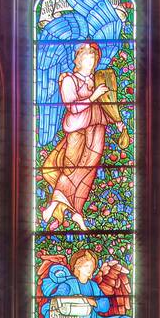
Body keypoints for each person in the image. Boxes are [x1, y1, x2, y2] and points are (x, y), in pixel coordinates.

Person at [40, 42, 111, 230]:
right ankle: (54, 205)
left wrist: (118, 121)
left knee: (88, 171)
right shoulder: (69, 80)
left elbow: (107, 105)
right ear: (77, 60)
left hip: (97, 127)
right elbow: (72, 107)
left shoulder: (95, 80)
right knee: (71, 169)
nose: (91, 62)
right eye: (87, 58)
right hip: (77, 129)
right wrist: (93, 96)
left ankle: (77, 211)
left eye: (94, 58)